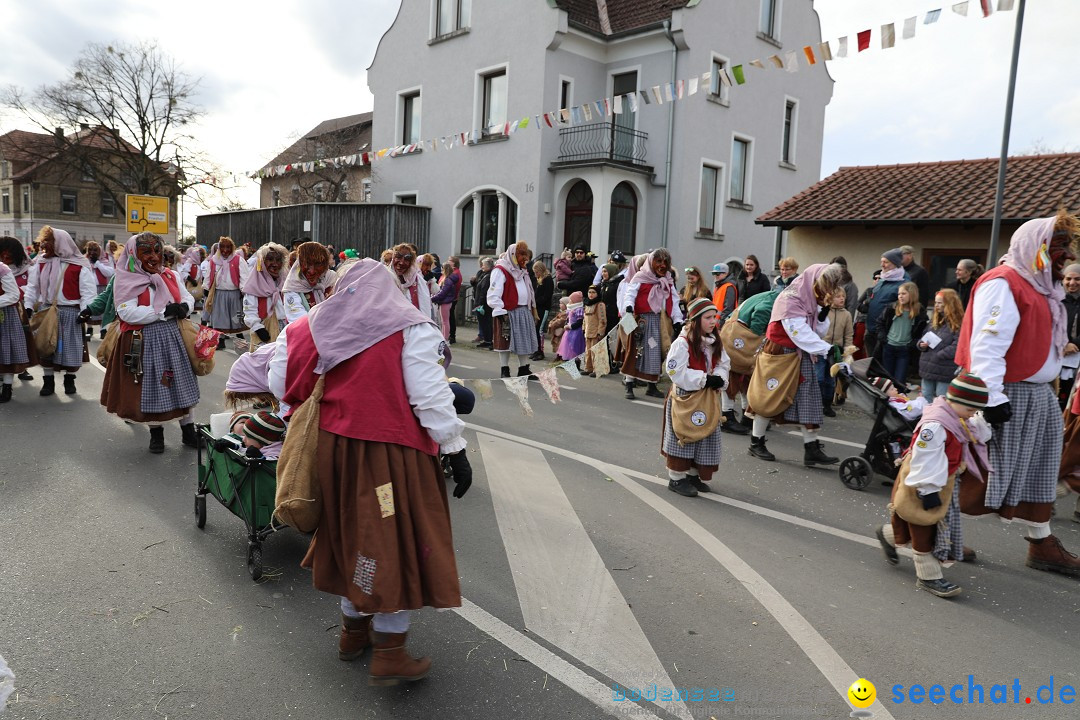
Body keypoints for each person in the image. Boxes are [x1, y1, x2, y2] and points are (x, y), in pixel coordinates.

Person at [268, 258, 472, 685]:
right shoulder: (409, 326)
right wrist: (454, 446)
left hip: (336, 451)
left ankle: (352, 633)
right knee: (391, 542)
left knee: (350, 534)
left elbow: (280, 379)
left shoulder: (310, 325)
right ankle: (391, 651)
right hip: (390, 453)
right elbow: (429, 392)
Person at [955, 211, 1080, 576]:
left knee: (1040, 469)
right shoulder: (1004, 282)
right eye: (1059, 250)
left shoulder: (1042, 287)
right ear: (1037, 249)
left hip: (1037, 393)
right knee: (979, 468)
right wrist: (991, 400)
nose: (1067, 258)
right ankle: (927, 526)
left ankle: (1041, 543)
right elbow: (987, 345)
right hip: (1003, 392)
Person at [874, 372, 992, 598]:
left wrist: (983, 419)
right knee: (924, 525)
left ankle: (889, 535)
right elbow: (924, 459)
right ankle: (929, 577)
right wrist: (927, 490)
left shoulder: (955, 416)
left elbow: (974, 432)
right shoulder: (936, 425)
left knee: (929, 523)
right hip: (923, 481)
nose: (971, 415)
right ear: (956, 402)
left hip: (941, 479)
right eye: (970, 410)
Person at [100, 233, 201, 453]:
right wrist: (164, 312)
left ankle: (188, 431)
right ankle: (156, 435)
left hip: (173, 337)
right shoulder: (125, 278)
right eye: (146, 251)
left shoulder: (171, 275)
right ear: (134, 255)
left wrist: (185, 307)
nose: (154, 256)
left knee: (179, 384)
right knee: (152, 387)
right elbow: (127, 312)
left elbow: (187, 297)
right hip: (144, 340)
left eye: (157, 250)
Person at [746, 263, 846, 466]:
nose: (827, 291)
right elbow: (798, 331)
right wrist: (826, 349)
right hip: (780, 352)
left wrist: (823, 314)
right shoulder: (791, 298)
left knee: (809, 396)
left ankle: (812, 449)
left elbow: (815, 331)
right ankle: (756, 442)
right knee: (770, 395)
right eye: (826, 286)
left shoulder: (810, 296)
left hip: (801, 351)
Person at [661, 297, 731, 497]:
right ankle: (676, 478)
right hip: (687, 397)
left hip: (706, 396)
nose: (713, 321)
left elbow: (723, 362)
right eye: (708, 317)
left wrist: (719, 377)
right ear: (696, 319)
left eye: (714, 317)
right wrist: (704, 379)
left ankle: (693, 474)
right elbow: (675, 372)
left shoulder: (714, 340)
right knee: (686, 434)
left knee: (705, 434)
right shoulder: (682, 343)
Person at [23, 226, 95, 396]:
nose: (44, 244)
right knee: (45, 345)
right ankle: (48, 382)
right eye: (44, 240)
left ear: (60, 244)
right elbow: (32, 288)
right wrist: (28, 305)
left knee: (70, 348)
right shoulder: (40, 264)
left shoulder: (78, 266)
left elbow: (88, 292)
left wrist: (85, 311)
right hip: (46, 311)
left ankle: (69, 380)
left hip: (70, 313)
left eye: (49, 241)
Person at [617, 249, 683, 400]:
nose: (662, 265)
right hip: (640, 322)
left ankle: (651, 386)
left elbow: (673, 300)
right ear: (651, 262)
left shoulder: (666, 281)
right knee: (635, 352)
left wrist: (678, 320)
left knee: (654, 352)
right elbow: (630, 294)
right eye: (658, 261)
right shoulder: (640, 277)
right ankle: (629, 384)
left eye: (665, 262)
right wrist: (628, 307)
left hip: (656, 321)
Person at [487, 241, 539, 378]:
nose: (525, 259)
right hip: (507, 311)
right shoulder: (501, 270)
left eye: (525, 255)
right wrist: (498, 309)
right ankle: (505, 369)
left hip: (523, 310)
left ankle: (524, 369)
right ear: (513, 255)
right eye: (521, 255)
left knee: (525, 340)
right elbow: (493, 292)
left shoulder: (522, 272)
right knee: (505, 341)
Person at [0, 236, 37, 381]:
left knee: (20, 339)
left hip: (19, 307)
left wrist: (21, 292)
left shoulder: (27, 268)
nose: (5, 256)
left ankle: (22, 368)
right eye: (3, 252)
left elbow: (32, 287)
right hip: (6, 304)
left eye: (9, 253)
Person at [917, 289, 963, 403]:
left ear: (949, 304)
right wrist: (921, 345)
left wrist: (939, 355)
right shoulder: (935, 320)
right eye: (936, 302)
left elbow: (958, 345)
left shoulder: (958, 323)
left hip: (944, 367)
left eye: (939, 303)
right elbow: (924, 336)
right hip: (928, 366)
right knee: (925, 397)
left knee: (941, 399)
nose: (936, 305)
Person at [203, 236, 250, 347]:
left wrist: (243, 291)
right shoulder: (214, 261)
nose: (225, 250)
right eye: (222, 247)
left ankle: (240, 341)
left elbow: (244, 276)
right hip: (219, 294)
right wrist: (206, 288)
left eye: (228, 247)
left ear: (232, 248)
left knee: (236, 318)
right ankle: (221, 341)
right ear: (219, 248)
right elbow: (209, 275)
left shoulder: (238, 260)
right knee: (220, 317)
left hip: (235, 294)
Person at [861, 248, 908, 359]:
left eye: (886, 262)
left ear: (895, 263)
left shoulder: (903, 281)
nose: (882, 265)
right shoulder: (882, 279)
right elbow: (874, 296)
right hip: (871, 328)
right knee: (870, 362)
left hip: (885, 331)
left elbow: (902, 305)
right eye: (881, 262)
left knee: (880, 364)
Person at [876, 282, 927, 384]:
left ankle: (898, 398)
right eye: (899, 294)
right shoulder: (892, 307)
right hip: (889, 346)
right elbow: (879, 323)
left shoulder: (919, 311)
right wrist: (883, 338)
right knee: (887, 379)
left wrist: (912, 345)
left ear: (912, 294)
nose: (900, 296)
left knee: (900, 380)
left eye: (903, 294)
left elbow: (922, 331)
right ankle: (886, 399)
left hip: (904, 349)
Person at [242, 243, 288, 351]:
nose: (275, 264)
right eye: (270, 260)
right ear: (262, 262)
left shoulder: (285, 283)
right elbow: (249, 310)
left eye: (278, 260)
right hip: (264, 328)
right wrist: (258, 328)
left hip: (284, 329)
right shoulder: (254, 284)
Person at [0, 259, 34, 402]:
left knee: (7, 352)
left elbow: (14, 294)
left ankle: (7, 388)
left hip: (5, 315)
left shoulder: (3, 269)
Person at [819, 287, 853, 417]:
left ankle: (827, 405)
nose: (842, 299)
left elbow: (849, 335)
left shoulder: (847, 314)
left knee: (830, 380)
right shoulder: (824, 312)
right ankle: (817, 403)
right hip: (821, 349)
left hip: (836, 351)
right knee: (819, 378)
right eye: (838, 296)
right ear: (830, 298)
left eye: (843, 296)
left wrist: (848, 352)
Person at [282, 241, 335, 324]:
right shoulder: (293, 286)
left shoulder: (332, 280)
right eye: (307, 264)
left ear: (325, 265)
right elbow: (298, 320)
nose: (312, 271)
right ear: (299, 264)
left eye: (318, 264)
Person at [1058, 264, 1080, 408]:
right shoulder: (1057, 300)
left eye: (1077, 279)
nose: (1072, 283)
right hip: (1060, 354)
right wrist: (1063, 343)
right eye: (1068, 278)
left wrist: (1076, 344)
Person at [581, 284, 607, 377]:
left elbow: (602, 320)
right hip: (588, 332)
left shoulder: (599, 304)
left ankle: (597, 370)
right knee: (588, 351)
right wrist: (583, 328)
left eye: (593, 292)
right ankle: (588, 368)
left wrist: (601, 332)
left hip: (596, 332)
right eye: (589, 292)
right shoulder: (587, 304)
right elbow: (584, 318)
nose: (591, 294)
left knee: (596, 351)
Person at [531, 261, 554, 361]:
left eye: (537, 272)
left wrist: (536, 301)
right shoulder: (538, 279)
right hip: (537, 307)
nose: (536, 274)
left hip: (543, 308)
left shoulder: (548, 279)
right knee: (535, 330)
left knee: (539, 330)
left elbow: (547, 296)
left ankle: (541, 351)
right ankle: (536, 350)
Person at [431, 260, 459, 341]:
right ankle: (444, 337)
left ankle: (445, 338)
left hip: (445, 302)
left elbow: (443, 292)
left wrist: (433, 298)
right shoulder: (447, 279)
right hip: (446, 301)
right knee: (444, 321)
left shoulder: (447, 280)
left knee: (445, 321)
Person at [471, 257, 494, 349]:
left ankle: (488, 340)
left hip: (483, 304)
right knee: (483, 322)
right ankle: (486, 340)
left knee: (486, 322)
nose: (482, 266)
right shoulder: (484, 274)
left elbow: (484, 291)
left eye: (483, 265)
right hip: (480, 303)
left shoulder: (488, 276)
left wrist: (480, 304)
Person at [558, 291, 585, 367]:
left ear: (574, 300)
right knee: (568, 346)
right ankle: (569, 362)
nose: (569, 301)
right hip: (569, 331)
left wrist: (571, 326)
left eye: (570, 300)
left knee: (574, 346)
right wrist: (567, 324)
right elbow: (568, 319)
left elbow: (580, 322)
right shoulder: (571, 308)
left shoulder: (578, 309)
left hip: (575, 331)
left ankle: (576, 364)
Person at [710, 263, 738, 329]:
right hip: (716, 323)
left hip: (723, 324)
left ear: (725, 273)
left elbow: (728, 308)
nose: (715, 276)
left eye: (717, 274)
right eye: (714, 274)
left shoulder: (729, 287)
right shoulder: (719, 286)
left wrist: (721, 325)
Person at [446, 256, 463, 344]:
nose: (448, 261)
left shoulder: (455, 273)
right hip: (453, 297)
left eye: (450, 260)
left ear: (454, 263)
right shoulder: (455, 272)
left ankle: (452, 335)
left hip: (451, 298)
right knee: (450, 317)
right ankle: (451, 335)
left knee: (450, 317)